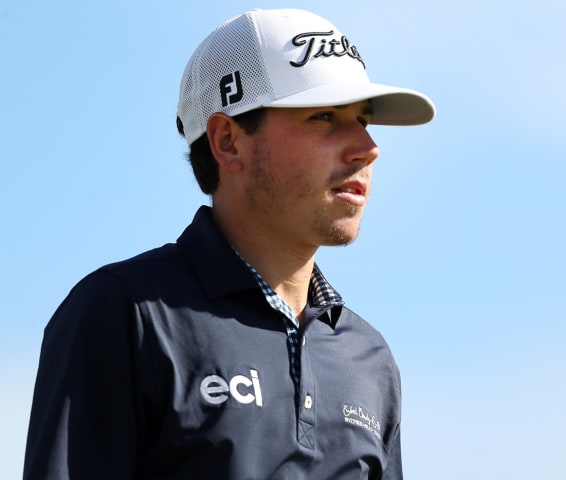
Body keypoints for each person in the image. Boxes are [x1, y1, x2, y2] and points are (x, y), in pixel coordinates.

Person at [24, 8, 434, 479]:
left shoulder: (369, 359)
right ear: (228, 141)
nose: (367, 146)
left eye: (363, 119)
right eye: (324, 116)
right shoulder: (124, 314)